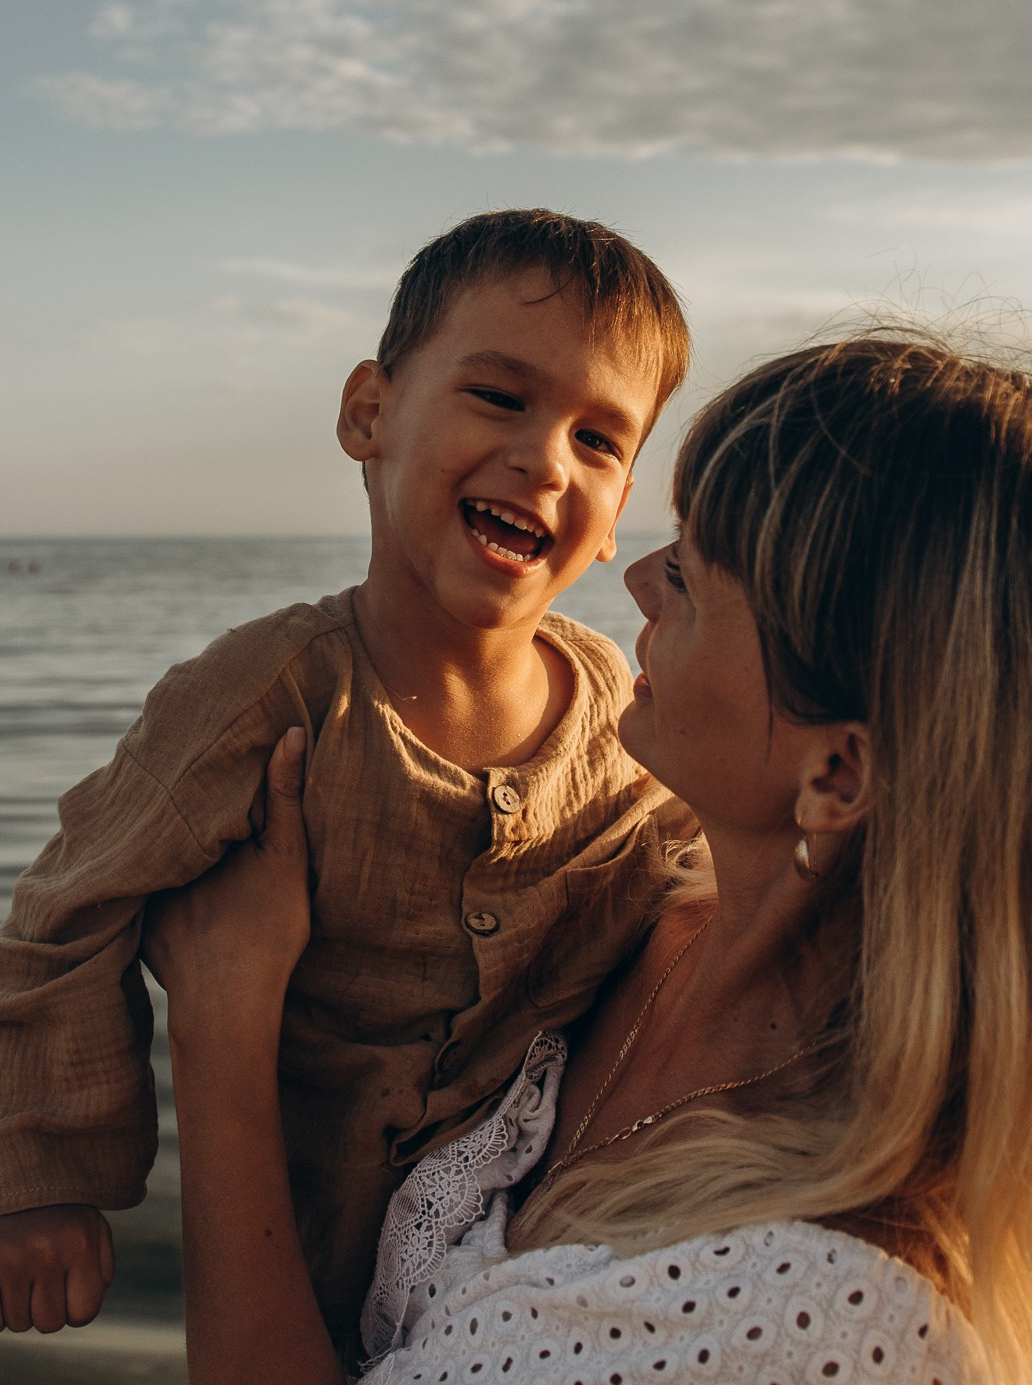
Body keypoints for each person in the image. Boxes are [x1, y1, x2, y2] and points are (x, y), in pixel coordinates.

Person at [146, 331, 1030, 1384]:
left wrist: (220, 1025)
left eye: (698, 578)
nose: (642, 580)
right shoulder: (632, 902)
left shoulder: (821, 1318)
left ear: (837, 777)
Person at [0, 208, 694, 1352]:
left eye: (600, 441)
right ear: (370, 412)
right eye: (500, 399)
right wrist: (39, 1179)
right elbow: (65, 917)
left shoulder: (621, 719)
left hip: (505, 1284)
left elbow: (701, 872)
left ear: (615, 525)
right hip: (299, 1270)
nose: (547, 458)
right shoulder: (268, 697)